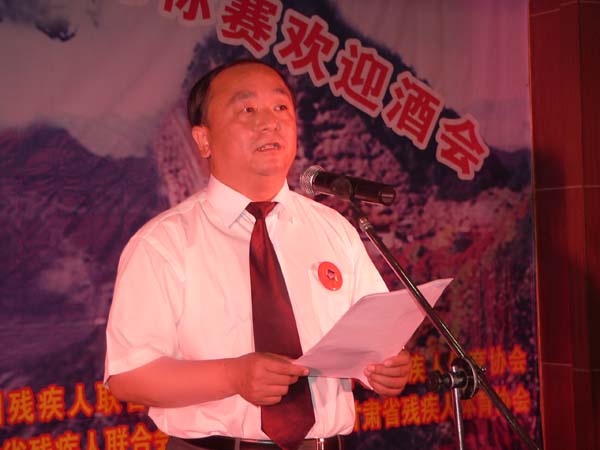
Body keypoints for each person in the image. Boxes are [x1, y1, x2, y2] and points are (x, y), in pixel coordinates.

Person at [104, 59, 411, 450]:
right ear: (203, 139)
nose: (270, 122)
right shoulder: (164, 243)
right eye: (247, 109)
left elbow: (376, 341)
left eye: (281, 107)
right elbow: (128, 376)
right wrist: (233, 376)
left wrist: (386, 368)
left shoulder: (334, 229)